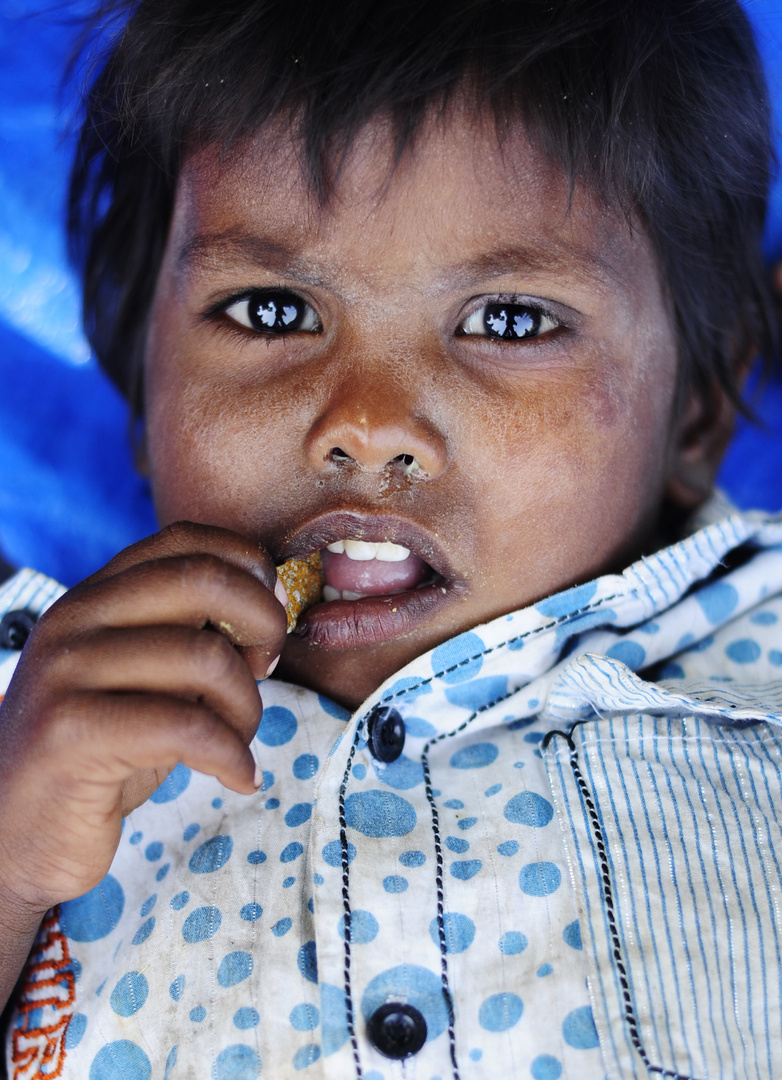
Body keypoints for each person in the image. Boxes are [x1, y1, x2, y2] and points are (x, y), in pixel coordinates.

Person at [1, 0, 781, 1076]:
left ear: (695, 408)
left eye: (507, 319)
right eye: (270, 311)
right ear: (143, 395)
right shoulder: (32, 717)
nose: (364, 422)